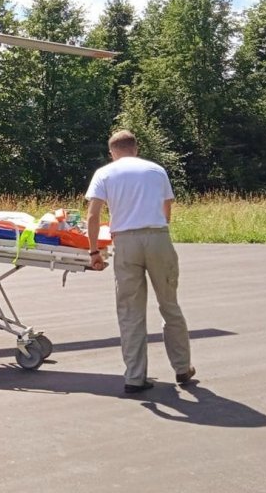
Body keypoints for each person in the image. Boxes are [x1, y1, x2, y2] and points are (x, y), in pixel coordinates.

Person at [85, 130, 195, 394]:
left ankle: (134, 377)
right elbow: (166, 210)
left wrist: (94, 251)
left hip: (125, 242)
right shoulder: (156, 171)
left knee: (130, 311)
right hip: (157, 238)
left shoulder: (104, 173)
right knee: (169, 305)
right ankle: (182, 367)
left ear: (112, 152)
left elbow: (93, 215)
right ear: (136, 148)